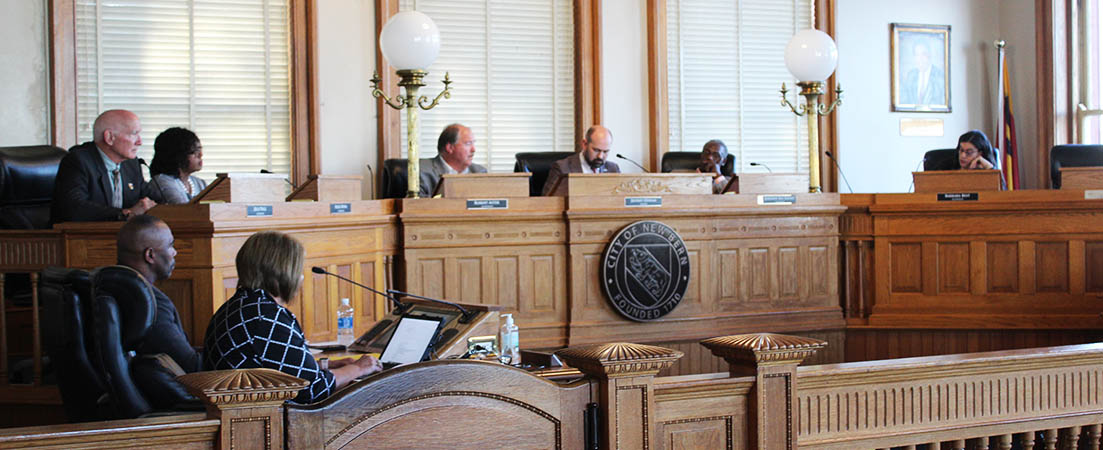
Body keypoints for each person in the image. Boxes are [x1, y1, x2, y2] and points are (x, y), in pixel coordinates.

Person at [203, 231, 382, 403]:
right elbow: (312, 389)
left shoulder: (241, 306)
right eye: (298, 269)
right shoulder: (266, 317)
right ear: (281, 271)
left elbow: (276, 369)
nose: (301, 278)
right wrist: (358, 368)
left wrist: (325, 366)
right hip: (266, 420)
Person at [116, 215, 201, 373]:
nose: (175, 252)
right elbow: (191, 365)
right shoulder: (149, 303)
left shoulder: (108, 284)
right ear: (150, 255)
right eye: (170, 246)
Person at [51, 109, 164, 224]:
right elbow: (75, 208)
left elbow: (153, 198)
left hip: (124, 237)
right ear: (109, 137)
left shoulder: (131, 164)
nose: (139, 142)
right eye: (134, 134)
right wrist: (126, 214)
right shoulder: (79, 161)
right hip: (80, 237)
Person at [541, 125, 622, 196]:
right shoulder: (562, 168)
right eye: (596, 150)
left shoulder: (613, 169)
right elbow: (547, 202)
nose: (600, 156)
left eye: (605, 152)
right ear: (584, 144)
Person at [418, 124, 488, 197]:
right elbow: (417, 204)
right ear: (450, 148)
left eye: (473, 143)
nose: (473, 150)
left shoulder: (479, 172)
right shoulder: (422, 171)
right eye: (468, 143)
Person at [149, 127, 207, 204]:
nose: (200, 155)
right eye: (195, 150)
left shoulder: (200, 183)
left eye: (200, 149)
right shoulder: (163, 181)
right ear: (178, 154)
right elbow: (185, 211)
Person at [900, 42, 946, 107]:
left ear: (929, 55)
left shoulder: (939, 76)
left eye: (923, 54)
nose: (920, 58)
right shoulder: (911, 75)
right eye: (917, 55)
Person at [931, 130, 998, 171]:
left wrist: (989, 168)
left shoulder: (985, 170)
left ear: (980, 153)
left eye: (969, 152)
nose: (963, 155)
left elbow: (1001, 191)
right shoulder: (945, 167)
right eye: (961, 150)